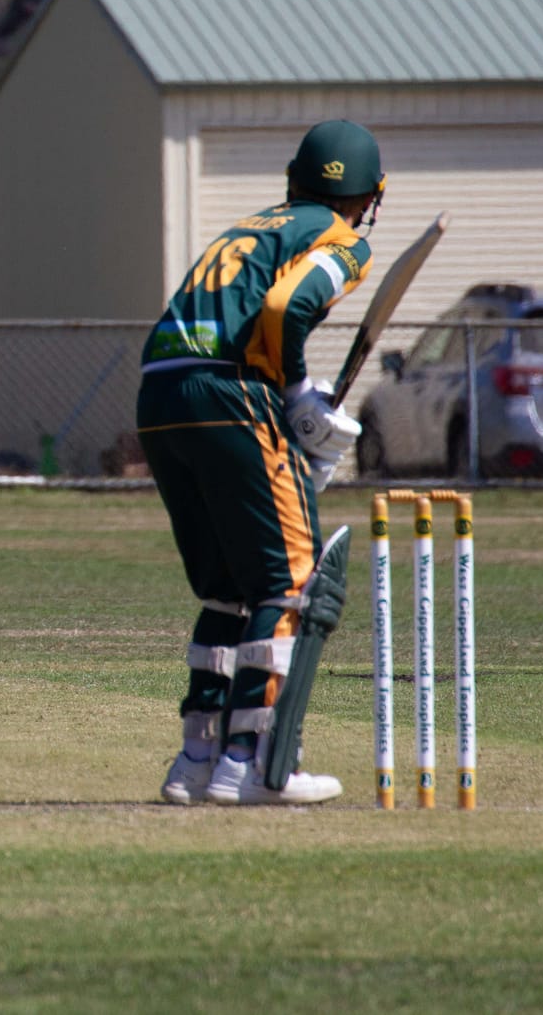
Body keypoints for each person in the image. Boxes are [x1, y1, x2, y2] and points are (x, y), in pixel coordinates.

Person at [136, 118, 383, 805]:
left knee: (228, 589)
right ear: (369, 195)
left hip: (160, 392)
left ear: (293, 177)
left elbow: (252, 309)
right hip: (228, 390)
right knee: (290, 581)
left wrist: (291, 403)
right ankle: (253, 759)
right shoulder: (342, 237)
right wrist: (299, 394)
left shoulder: (253, 225)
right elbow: (287, 305)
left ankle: (195, 759)